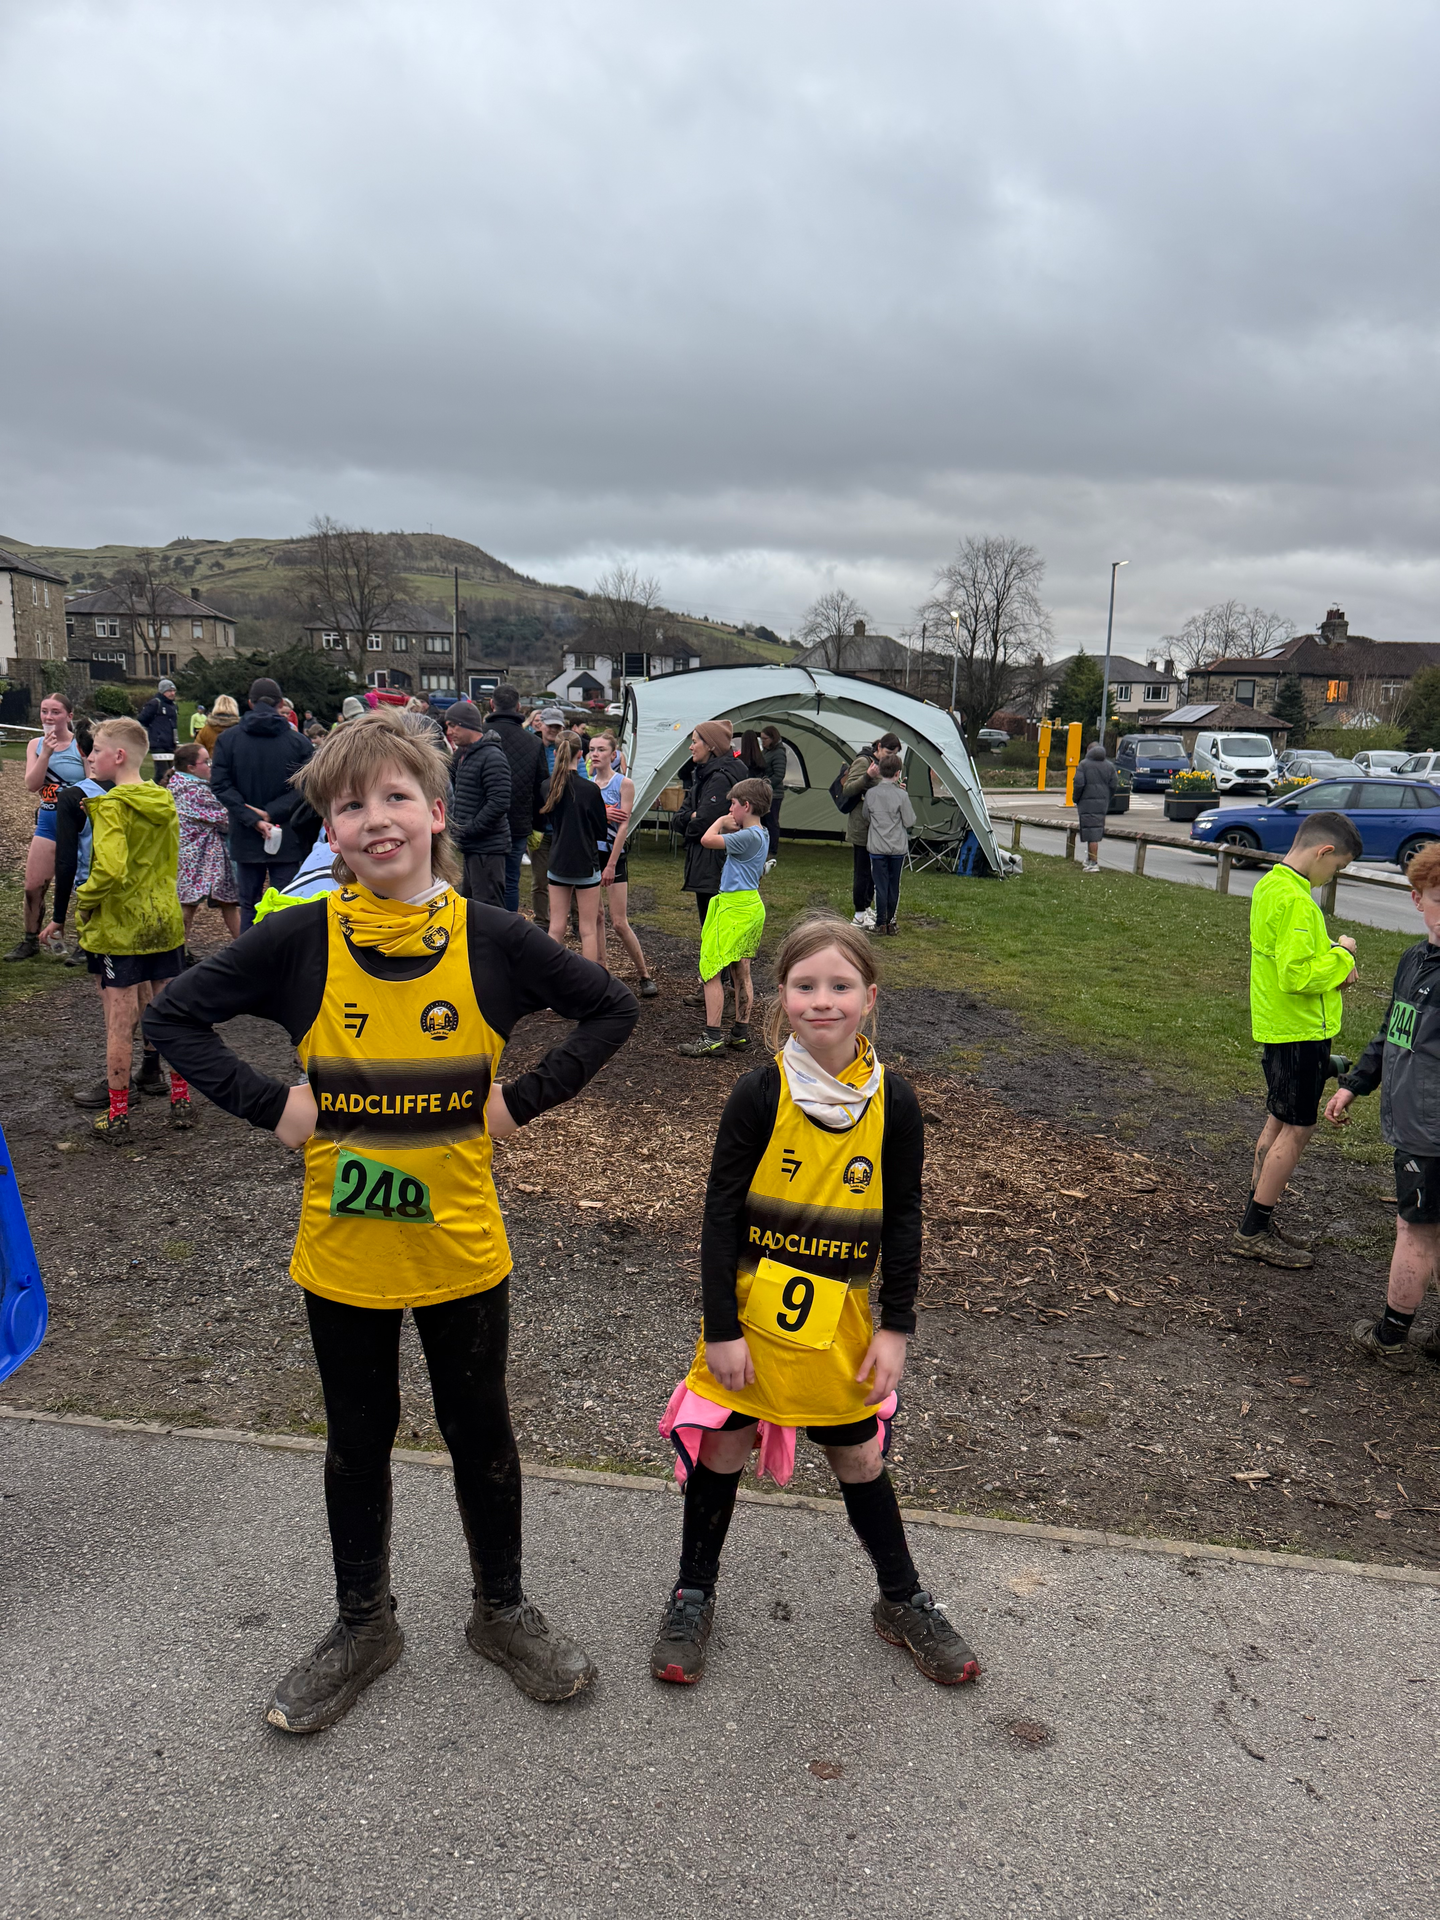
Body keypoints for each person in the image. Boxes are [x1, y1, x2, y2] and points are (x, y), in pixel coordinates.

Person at [143, 710, 638, 1735]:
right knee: (356, 1442)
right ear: (329, 827)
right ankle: (363, 1623)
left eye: (395, 797)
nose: (375, 818)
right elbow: (172, 1015)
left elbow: (611, 1009)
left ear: (434, 813)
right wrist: (275, 1106)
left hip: (463, 1247)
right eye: (350, 803)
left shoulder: (492, 937)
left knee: (481, 1437)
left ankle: (501, 1613)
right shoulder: (298, 939)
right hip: (343, 1251)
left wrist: (520, 1101)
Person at [651, 913, 979, 1689]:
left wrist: (896, 1326)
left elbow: (904, 1218)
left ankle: (901, 1599)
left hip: (841, 1321)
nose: (821, 1001)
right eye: (805, 986)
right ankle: (693, 1592)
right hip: (750, 1317)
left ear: (870, 997)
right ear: (782, 996)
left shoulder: (894, 1103)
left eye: (839, 986)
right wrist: (721, 1329)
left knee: (858, 1455)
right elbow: (718, 1216)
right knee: (723, 1446)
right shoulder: (759, 1092)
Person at [1325, 842, 1440, 1367]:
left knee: (1414, 1230)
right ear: (1417, 899)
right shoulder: (1414, 961)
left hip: (1429, 1133)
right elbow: (1393, 1032)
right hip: (1413, 1120)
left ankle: (1390, 1337)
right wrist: (1355, 1083)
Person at [1236, 809, 1362, 1268]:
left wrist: (1328, 957)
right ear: (1324, 851)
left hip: (1279, 1028)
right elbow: (1296, 974)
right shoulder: (1297, 901)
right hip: (1299, 1030)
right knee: (1298, 1128)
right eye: (1338, 868)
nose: (1333, 877)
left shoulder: (1271, 885)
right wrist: (1343, 957)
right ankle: (1252, 1231)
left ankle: (1257, 1214)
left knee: (1277, 1120)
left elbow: (1290, 958)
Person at [74, 717, 191, 1139]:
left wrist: (84, 903)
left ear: (118, 756)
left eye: (96, 749)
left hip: (122, 927)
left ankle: (118, 1115)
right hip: (164, 920)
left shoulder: (111, 806)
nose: (89, 756)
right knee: (171, 1013)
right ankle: (180, 1101)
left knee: (120, 1022)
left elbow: (109, 868)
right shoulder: (164, 800)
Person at [209, 676, 316, 929]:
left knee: (249, 903)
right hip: (288, 829)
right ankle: (285, 958)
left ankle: (249, 960)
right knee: (286, 902)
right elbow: (308, 787)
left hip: (246, 830)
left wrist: (252, 817)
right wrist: (272, 813)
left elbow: (221, 784)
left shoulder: (228, 740)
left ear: (249, 703)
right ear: (281, 704)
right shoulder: (299, 742)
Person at [677, 777, 771, 1057]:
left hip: (733, 908)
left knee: (710, 970)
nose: (730, 809)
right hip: (750, 905)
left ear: (746, 805)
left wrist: (718, 821)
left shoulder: (745, 836)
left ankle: (712, 1036)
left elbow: (706, 840)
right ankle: (740, 1034)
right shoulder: (762, 834)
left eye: (732, 804)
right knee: (741, 970)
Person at [5, 692, 88, 961]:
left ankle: (87, 945)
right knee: (33, 885)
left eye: (55, 712)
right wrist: (47, 753)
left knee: (85, 887)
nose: (49, 717)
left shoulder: (81, 745)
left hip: (78, 824)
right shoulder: (35, 744)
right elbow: (31, 785)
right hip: (48, 821)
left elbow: (93, 783)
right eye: (44, 711)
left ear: (69, 716)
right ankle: (31, 940)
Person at [590, 732, 657, 997]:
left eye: (601, 749)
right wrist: (601, 814)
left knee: (619, 921)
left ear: (613, 754)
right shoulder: (589, 784)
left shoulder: (623, 783)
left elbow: (624, 825)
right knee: (596, 917)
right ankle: (602, 971)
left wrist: (612, 864)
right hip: (591, 854)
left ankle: (644, 974)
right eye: (592, 749)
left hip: (613, 856)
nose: (595, 754)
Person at [540, 730, 609, 963]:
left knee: (556, 927)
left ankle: (548, 980)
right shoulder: (590, 790)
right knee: (587, 929)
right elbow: (601, 830)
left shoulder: (547, 786)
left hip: (558, 861)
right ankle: (589, 984)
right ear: (581, 754)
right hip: (585, 863)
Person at [677, 719, 742, 942]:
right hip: (709, 862)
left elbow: (703, 822)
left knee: (714, 927)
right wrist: (691, 816)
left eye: (695, 742)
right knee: (712, 925)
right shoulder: (704, 774)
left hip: (715, 864)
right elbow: (680, 817)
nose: (690, 747)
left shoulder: (720, 778)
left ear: (711, 746)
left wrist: (692, 818)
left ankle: (718, 977)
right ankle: (720, 976)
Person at [486, 685, 549, 914]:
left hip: (483, 822)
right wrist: (539, 826)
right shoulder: (533, 743)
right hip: (518, 823)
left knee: (482, 882)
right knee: (511, 882)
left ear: (492, 704)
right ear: (519, 707)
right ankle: (507, 932)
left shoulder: (478, 735)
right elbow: (542, 787)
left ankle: (481, 933)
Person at [170, 742, 240, 942]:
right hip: (194, 856)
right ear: (191, 768)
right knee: (188, 905)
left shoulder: (182, 784)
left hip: (204, 855)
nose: (210, 766)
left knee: (226, 902)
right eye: (206, 762)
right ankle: (177, 951)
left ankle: (243, 945)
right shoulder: (192, 791)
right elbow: (226, 817)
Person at [446, 700, 512, 907]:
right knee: (471, 906)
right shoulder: (463, 755)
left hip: (488, 848)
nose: (449, 732)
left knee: (489, 909)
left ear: (466, 724)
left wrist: (471, 828)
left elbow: (500, 801)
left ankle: (496, 941)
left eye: (452, 725)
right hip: (473, 846)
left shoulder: (491, 756)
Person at [841, 734, 900, 929]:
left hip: (877, 828)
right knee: (862, 871)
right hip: (862, 826)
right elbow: (848, 789)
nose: (889, 757)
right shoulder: (863, 761)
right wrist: (868, 776)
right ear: (879, 747)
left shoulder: (882, 765)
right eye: (888, 753)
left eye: (894, 755)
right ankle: (858, 914)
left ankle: (866, 908)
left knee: (872, 872)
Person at [862, 750, 915, 935]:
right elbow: (909, 821)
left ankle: (880, 922)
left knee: (880, 885)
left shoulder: (871, 794)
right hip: (897, 847)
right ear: (898, 773)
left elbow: (865, 816)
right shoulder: (902, 796)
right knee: (894, 885)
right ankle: (891, 922)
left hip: (877, 846)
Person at [1072, 742, 1117, 872]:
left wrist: (1076, 799)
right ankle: (1090, 859)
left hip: (1086, 803)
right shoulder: (1109, 766)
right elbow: (1114, 784)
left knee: (1091, 833)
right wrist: (1107, 797)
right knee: (1094, 829)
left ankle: (1093, 862)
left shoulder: (1083, 765)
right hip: (1102, 803)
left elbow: (1078, 784)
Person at [137, 677, 180, 784]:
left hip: (170, 744)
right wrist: (154, 733)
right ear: (162, 691)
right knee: (162, 773)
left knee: (172, 773)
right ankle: (154, 791)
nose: (172, 693)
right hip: (158, 744)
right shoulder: (155, 703)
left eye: (174, 691)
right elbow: (142, 720)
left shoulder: (174, 706)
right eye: (169, 691)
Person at [759, 726, 787, 867]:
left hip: (774, 794)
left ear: (773, 738)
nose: (763, 741)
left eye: (765, 739)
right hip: (766, 793)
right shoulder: (767, 752)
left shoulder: (779, 753)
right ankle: (764, 849)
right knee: (764, 822)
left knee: (772, 823)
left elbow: (779, 775)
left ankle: (772, 851)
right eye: (761, 738)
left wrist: (765, 785)